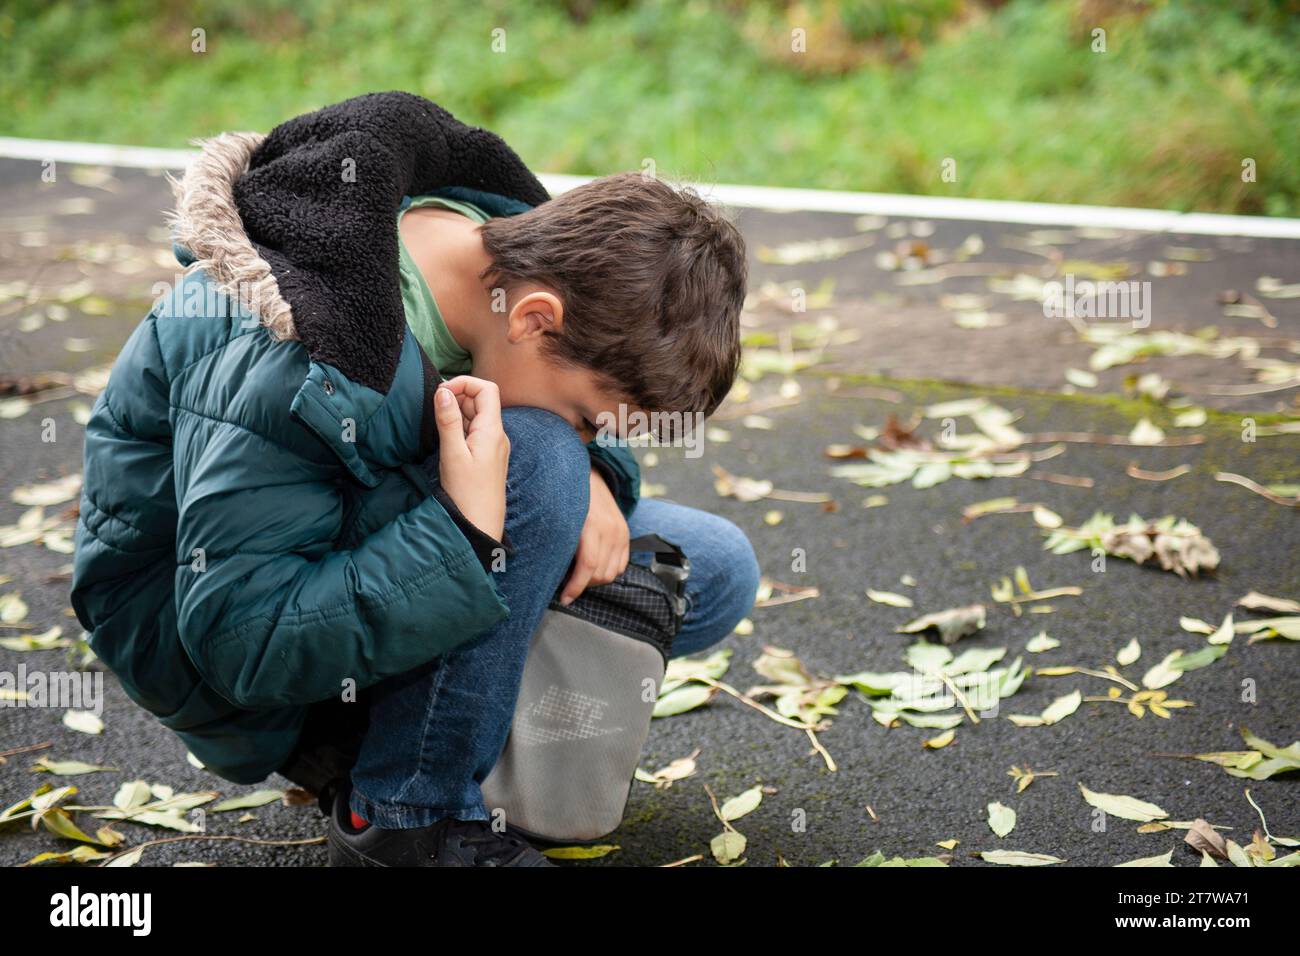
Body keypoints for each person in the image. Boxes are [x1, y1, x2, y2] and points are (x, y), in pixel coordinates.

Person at [71, 92, 759, 867]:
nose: (591, 436)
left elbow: (557, 437)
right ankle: (405, 814)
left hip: (372, 549)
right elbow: (238, 639)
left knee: (714, 568)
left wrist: (596, 469)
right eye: (592, 416)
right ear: (535, 319)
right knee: (539, 461)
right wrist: (466, 530)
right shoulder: (295, 343)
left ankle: (439, 721)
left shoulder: (506, 256)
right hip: (211, 633)